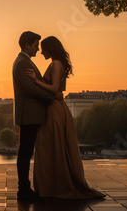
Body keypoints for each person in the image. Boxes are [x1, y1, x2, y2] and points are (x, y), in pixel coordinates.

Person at [26, 36, 105, 199]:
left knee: (49, 146)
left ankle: (52, 186)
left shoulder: (55, 64)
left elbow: (54, 88)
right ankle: (56, 184)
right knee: (56, 146)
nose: (41, 52)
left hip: (53, 109)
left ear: (50, 48)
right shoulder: (58, 63)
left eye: (43, 49)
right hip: (57, 108)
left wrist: (35, 81)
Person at [12, 31, 61, 201]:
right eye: (35, 45)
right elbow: (30, 89)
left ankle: (24, 189)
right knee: (25, 152)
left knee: (25, 152)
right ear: (27, 45)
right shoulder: (23, 63)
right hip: (30, 115)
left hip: (30, 114)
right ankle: (23, 190)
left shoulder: (23, 62)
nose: (38, 49)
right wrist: (52, 97)